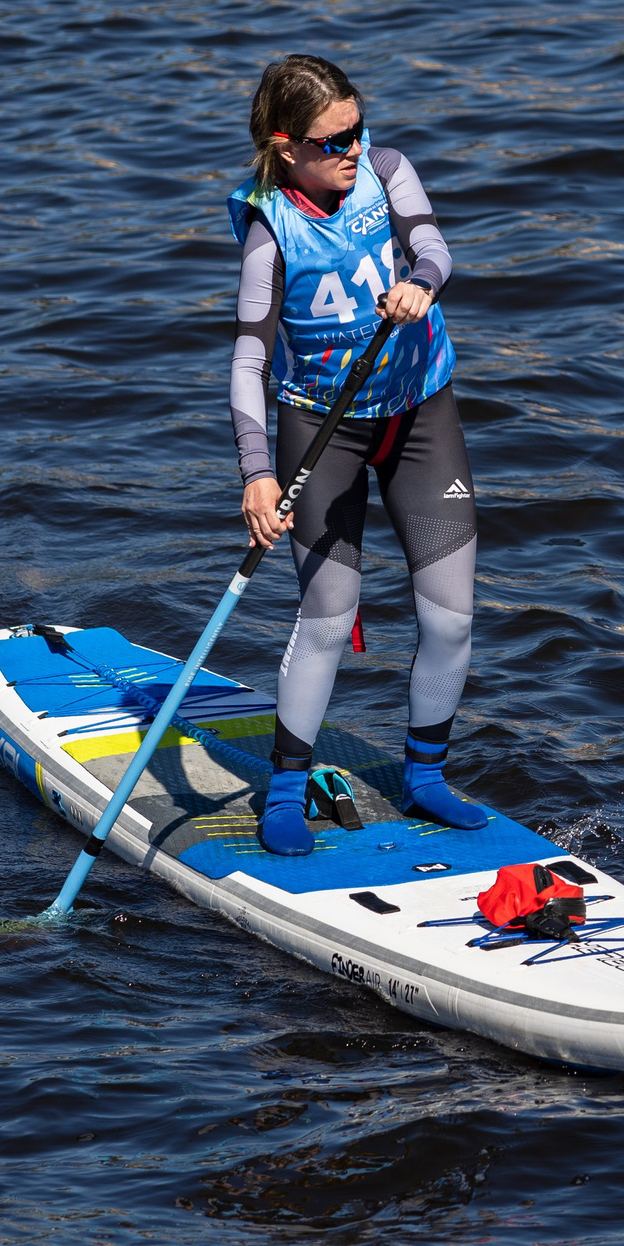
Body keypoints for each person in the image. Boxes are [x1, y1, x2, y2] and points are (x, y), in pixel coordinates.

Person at [226, 54, 485, 856]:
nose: (353, 146)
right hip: (323, 427)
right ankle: (285, 791)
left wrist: (423, 284)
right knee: (329, 621)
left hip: (418, 415)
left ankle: (426, 776)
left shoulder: (388, 170)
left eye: (358, 126)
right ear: (286, 144)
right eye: (333, 137)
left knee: (450, 616)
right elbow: (246, 363)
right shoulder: (271, 230)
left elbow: (434, 245)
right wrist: (258, 474)